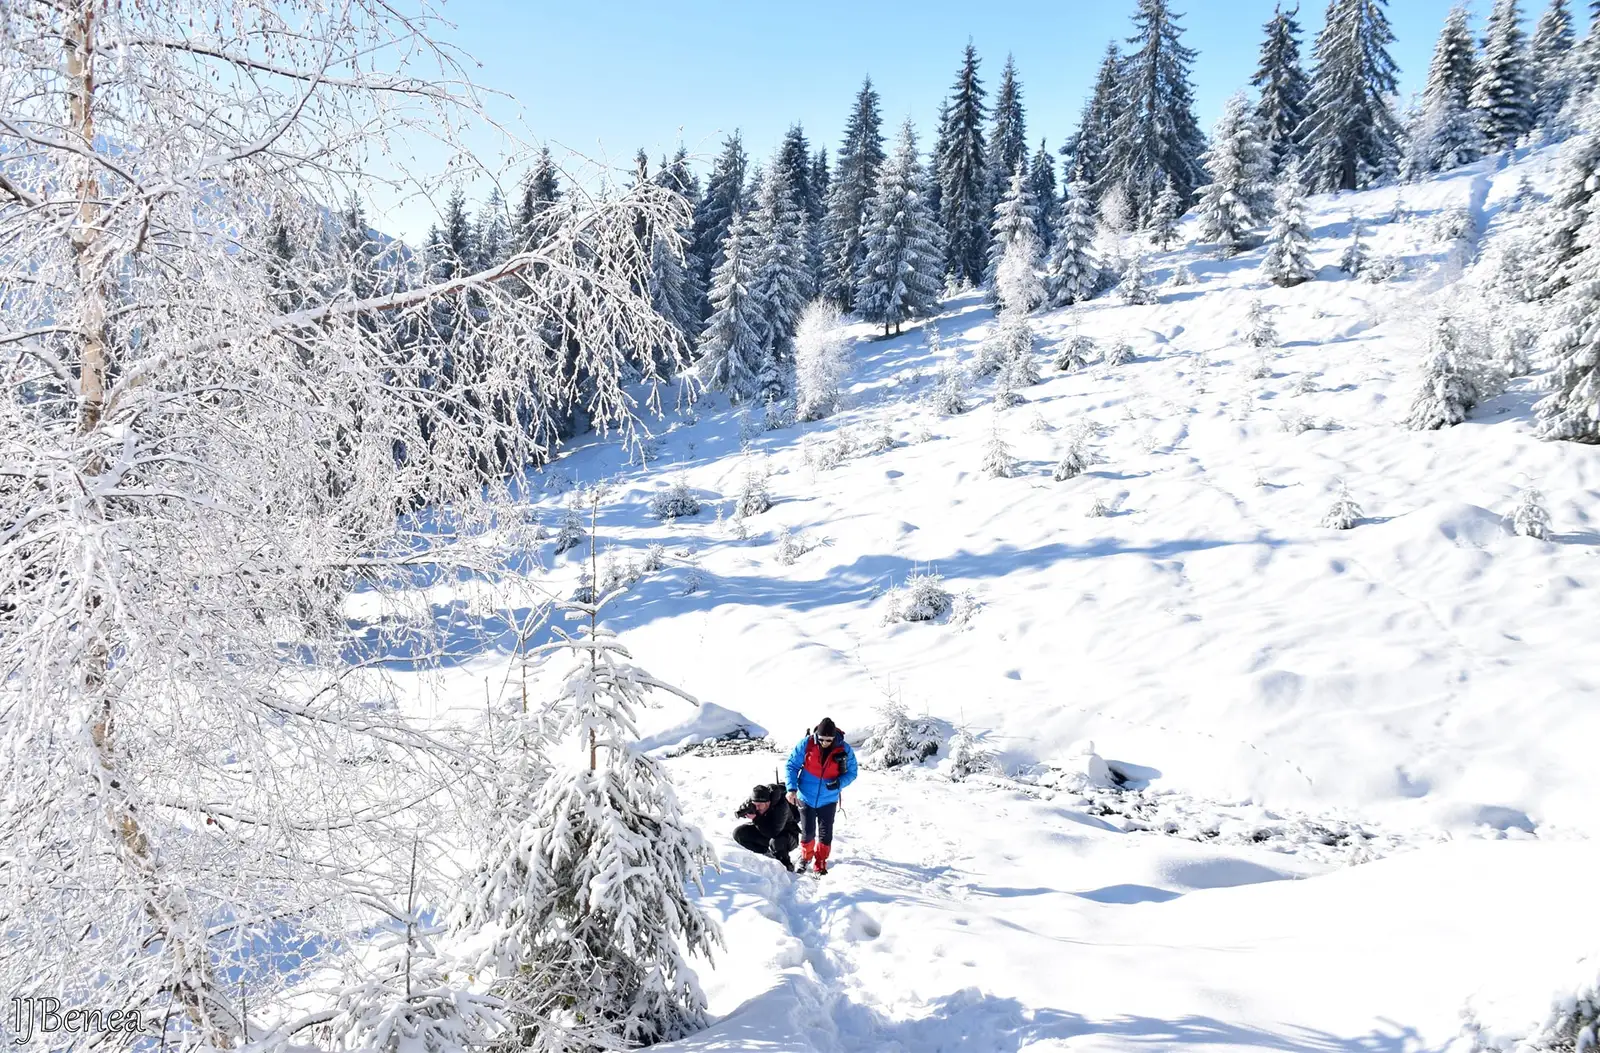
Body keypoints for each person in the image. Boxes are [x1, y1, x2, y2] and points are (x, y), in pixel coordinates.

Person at [784, 717, 858, 875]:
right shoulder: (807, 743)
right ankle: (805, 857)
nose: (825, 742)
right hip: (806, 796)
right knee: (808, 832)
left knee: (825, 834)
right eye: (822, 739)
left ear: (834, 737)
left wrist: (839, 783)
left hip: (829, 798)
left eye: (829, 740)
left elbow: (852, 772)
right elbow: (791, 765)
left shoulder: (844, 749)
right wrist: (791, 789)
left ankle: (821, 861)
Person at [733, 782, 800, 871]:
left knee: (776, 842)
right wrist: (745, 810)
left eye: (759, 805)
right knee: (739, 833)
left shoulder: (781, 806)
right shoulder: (755, 799)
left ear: (768, 803)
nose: (757, 808)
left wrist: (756, 818)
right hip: (765, 828)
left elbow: (773, 832)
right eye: (755, 805)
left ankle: (785, 864)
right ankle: (766, 854)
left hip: (786, 835)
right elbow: (742, 808)